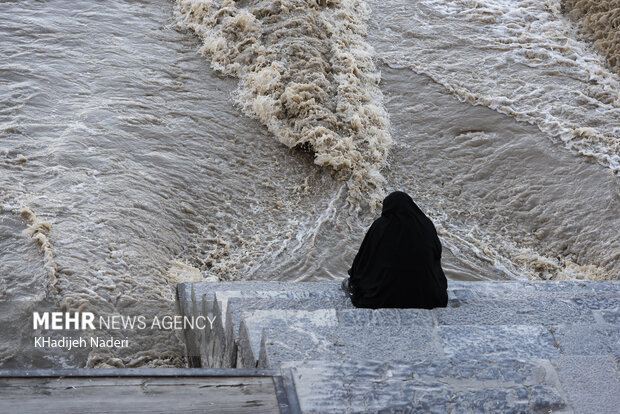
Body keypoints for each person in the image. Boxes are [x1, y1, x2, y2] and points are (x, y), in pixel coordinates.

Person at [342, 191, 448, 309]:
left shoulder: (380, 226)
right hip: (427, 296)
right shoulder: (425, 224)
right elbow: (437, 253)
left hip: (383, 296)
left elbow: (364, 259)